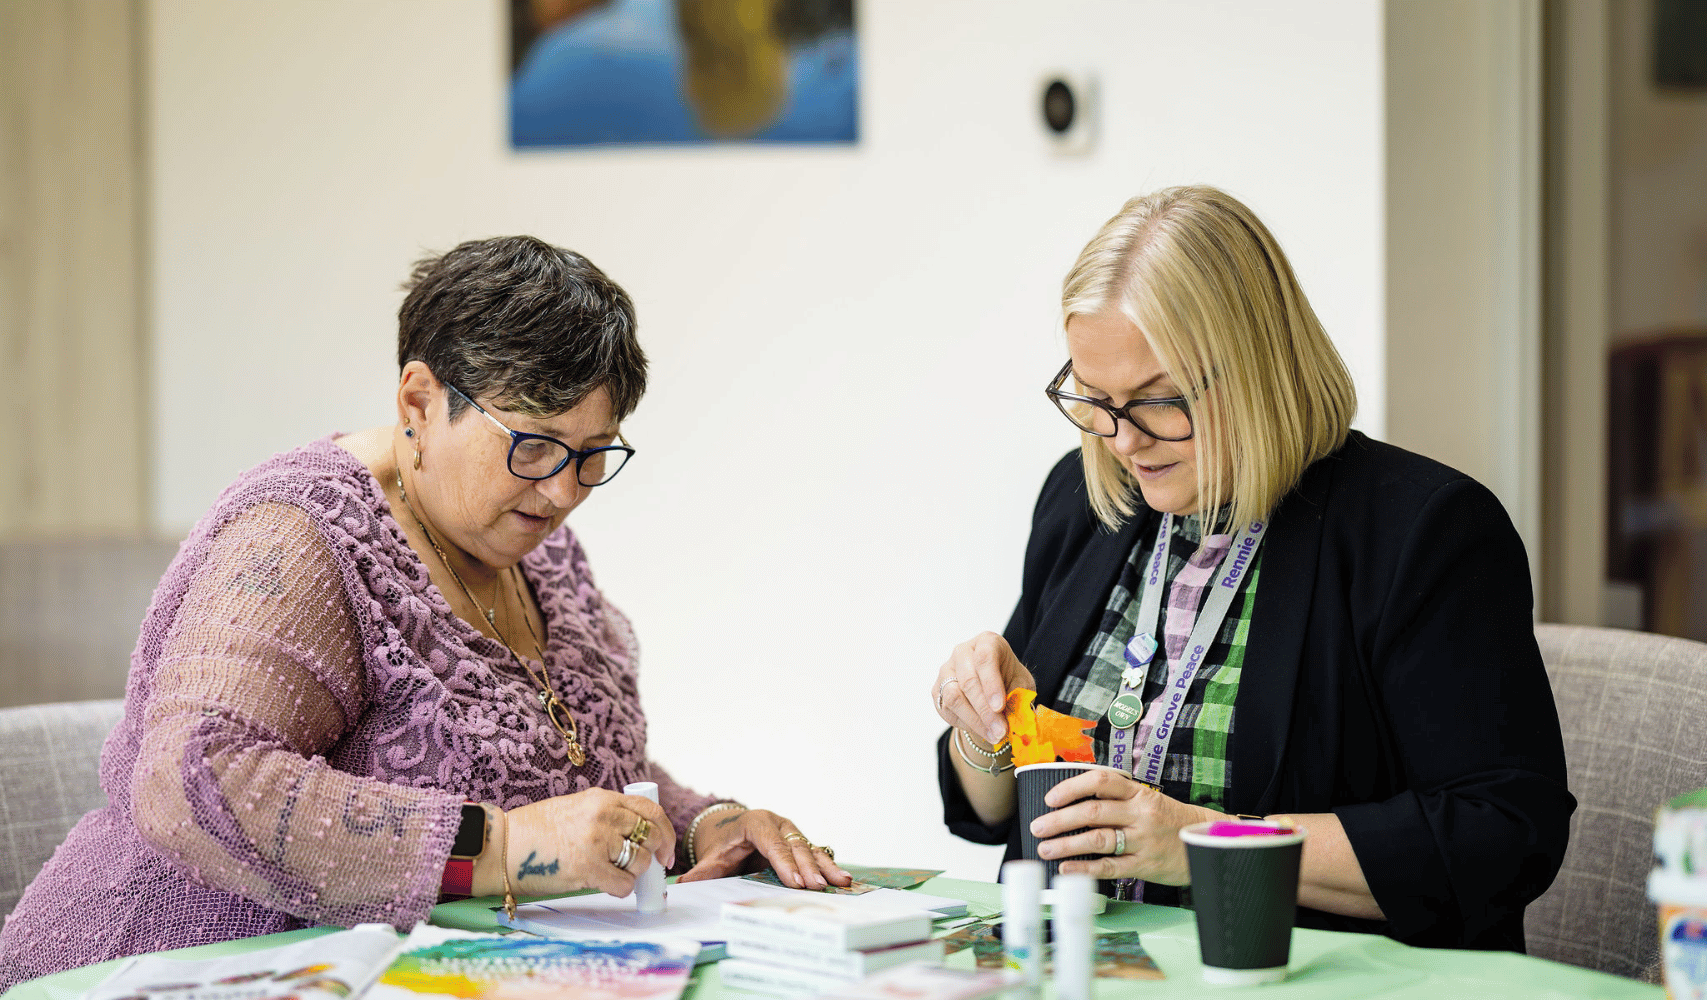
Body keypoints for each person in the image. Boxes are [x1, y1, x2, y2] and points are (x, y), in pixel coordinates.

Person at [0, 236, 848, 990]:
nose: (561, 492)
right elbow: (192, 782)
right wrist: (504, 849)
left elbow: (561, 765)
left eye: (593, 457)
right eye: (534, 445)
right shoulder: (304, 533)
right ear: (418, 402)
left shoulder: (527, 539)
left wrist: (705, 827)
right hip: (175, 970)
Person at [932, 186, 1574, 952]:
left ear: (1258, 364)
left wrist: (1197, 838)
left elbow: (1501, 835)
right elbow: (990, 811)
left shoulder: (1421, 529)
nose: (1121, 440)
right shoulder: (1083, 501)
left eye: (1158, 399)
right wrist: (986, 730)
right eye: (1094, 399)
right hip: (1079, 965)